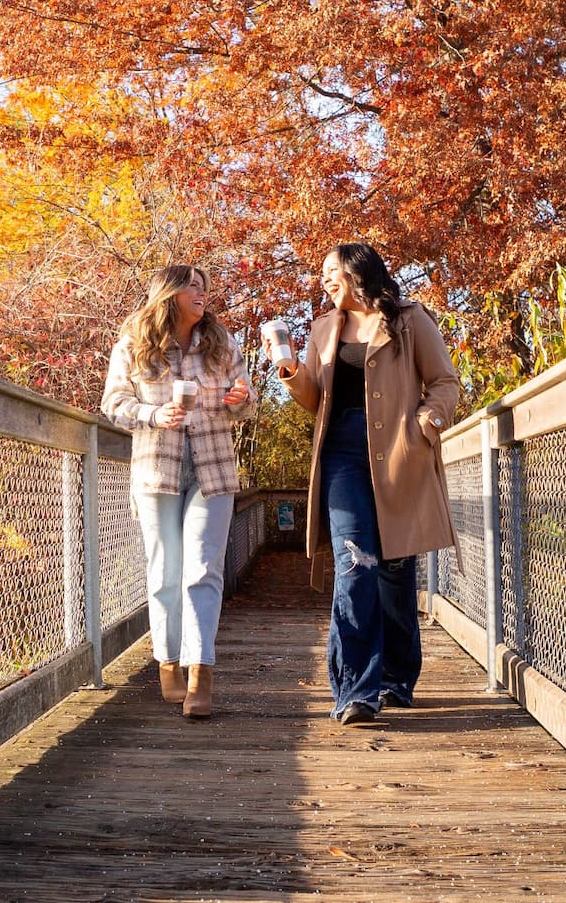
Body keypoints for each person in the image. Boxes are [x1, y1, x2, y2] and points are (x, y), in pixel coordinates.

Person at [268, 243, 460, 725]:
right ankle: (356, 689)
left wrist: (427, 422)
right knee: (356, 566)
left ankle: (396, 677)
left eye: (332, 271)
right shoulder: (322, 329)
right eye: (323, 273)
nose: (324, 280)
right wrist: (292, 372)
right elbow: (317, 402)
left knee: (395, 571)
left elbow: (444, 382)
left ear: (358, 272)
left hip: (399, 452)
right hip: (341, 455)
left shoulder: (409, 320)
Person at [102, 265, 255, 719]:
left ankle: (200, 672)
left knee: (203, 569)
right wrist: (153, 414)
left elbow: (248, 403)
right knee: (164, 570)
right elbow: (113, 402)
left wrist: (240, 399)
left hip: (213, 471)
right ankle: (167, 661)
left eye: (204, 286)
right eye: (192, 285)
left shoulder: (221, 342)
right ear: (168, 293)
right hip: (156, 470)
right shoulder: (134, 341)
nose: (201, 293)